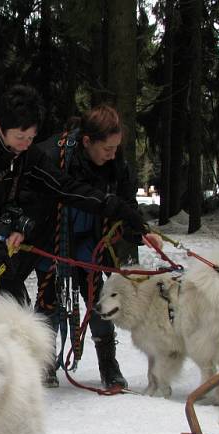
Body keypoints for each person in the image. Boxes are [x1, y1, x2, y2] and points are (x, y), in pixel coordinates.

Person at [0, 84, 148, 307]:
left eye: (31, 138)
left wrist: (116, 208)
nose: (26, 144)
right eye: (20, 137)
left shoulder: (25, 155)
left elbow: (65, 187)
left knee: (17, 307)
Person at [29, 104, 161, 389]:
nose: (112, 154)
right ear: (87, 141)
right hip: (52, 234)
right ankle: (45, 360)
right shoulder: (53, 154)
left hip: (90, 236)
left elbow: (125, 203)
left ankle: (108, 362)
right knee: (47, 298)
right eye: (107, 149)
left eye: (116, 147)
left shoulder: (116, 162)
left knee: (97, 297)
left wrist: (139, 231)